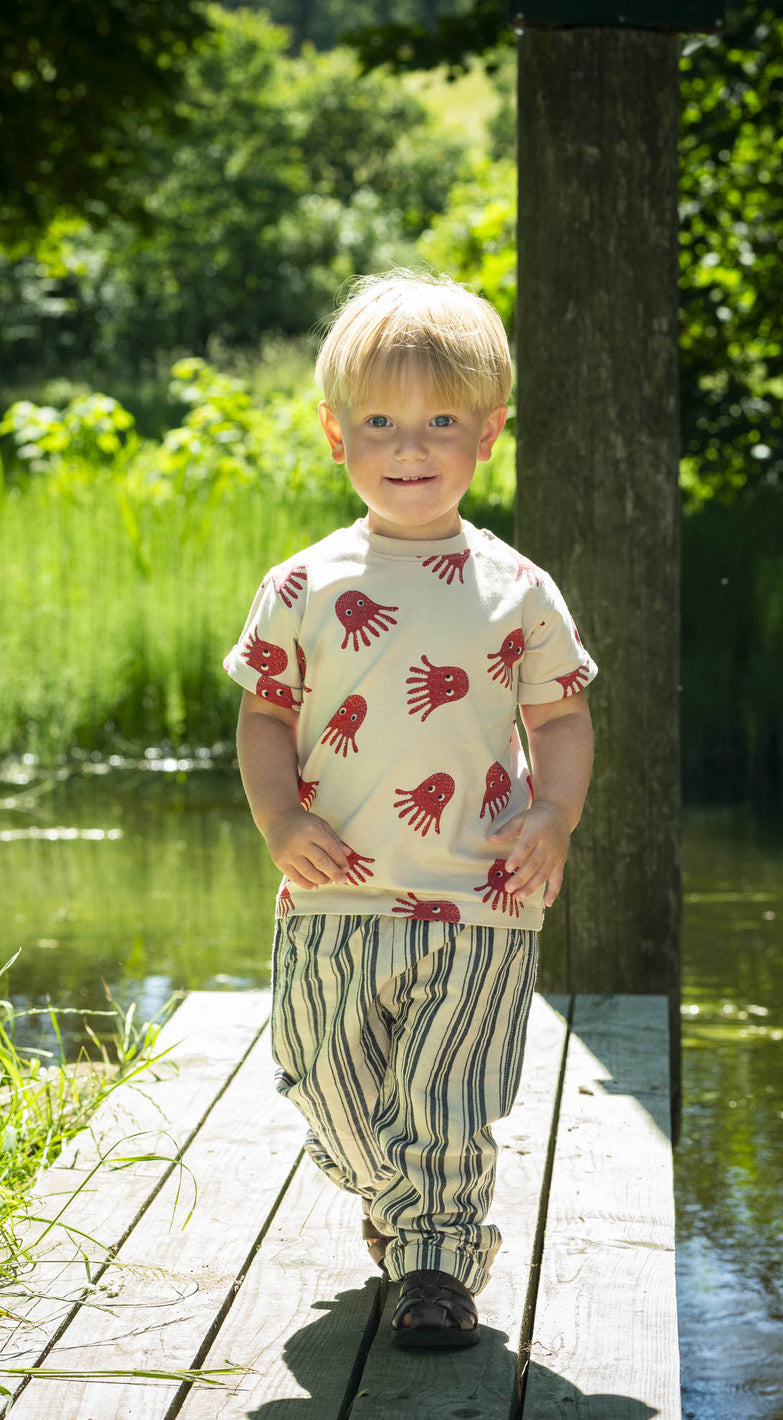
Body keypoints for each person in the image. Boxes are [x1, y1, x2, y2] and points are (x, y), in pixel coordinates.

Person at [223, 269, 595, 1351]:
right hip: (332, 883)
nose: (410, 445)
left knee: (445, 1090)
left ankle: (436, 1260)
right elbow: (262, 718)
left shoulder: (516, 589)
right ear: (336, 433)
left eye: (440, 421)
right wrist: (279, 822)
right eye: (381, 421)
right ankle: (392, 1195)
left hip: (480, 891)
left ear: (488, 433)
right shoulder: (302, 587)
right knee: (317, 1069)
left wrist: (554, 816)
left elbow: (561, 719)